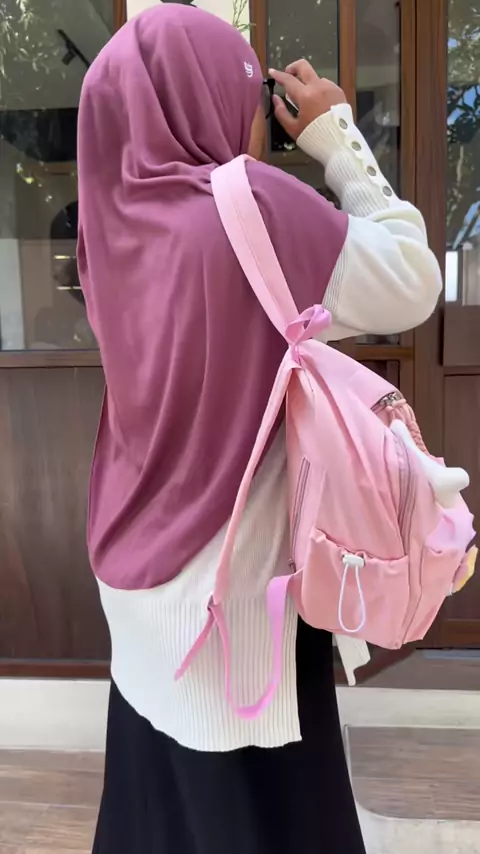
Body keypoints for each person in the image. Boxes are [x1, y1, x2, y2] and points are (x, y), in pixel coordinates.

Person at [77, 6, 441, 853]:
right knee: (263, 820)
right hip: (236, 596)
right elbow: (412, 282)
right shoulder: (246, 206)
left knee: (163, 813)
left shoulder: (105, 234)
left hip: (133, 577)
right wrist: (335, 136)